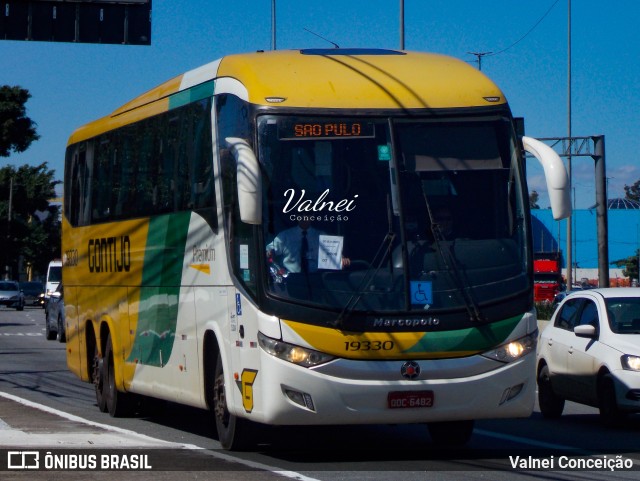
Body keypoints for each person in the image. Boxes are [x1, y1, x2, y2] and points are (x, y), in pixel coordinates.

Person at [266, 220, 350, 274]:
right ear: (296, 215)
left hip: (316, 280)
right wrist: (269, 252)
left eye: (307, 212)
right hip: (291, 280)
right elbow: (270, 249)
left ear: (312, 215)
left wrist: (341, 260)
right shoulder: (285, 235)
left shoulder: (321, 235)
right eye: (301, 212)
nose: (304, 216)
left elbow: (334, 256)